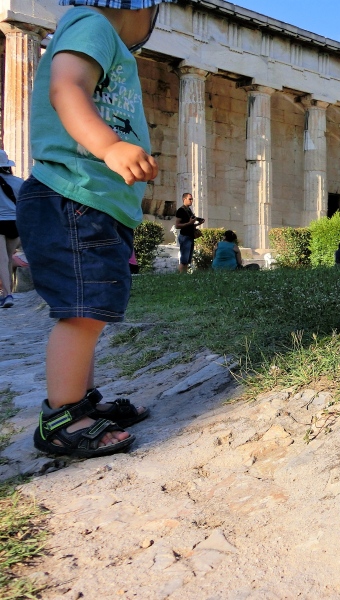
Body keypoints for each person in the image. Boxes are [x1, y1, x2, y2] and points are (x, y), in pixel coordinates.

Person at [15, 0, 170, 458]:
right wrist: (110, 146)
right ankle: (62, 420)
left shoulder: (103, 38)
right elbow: (67, 87)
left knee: (90, 309)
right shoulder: (92, 24)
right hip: (72, 196)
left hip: (90, 202)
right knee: (82, 313)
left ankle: (82, 404)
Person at [0, 149, 23, 308]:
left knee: (2, 259)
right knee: (8, 258)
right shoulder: (19, 182)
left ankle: (7, 294)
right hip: (15, 223)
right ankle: (8, 293)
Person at [175, 192, 204, 273]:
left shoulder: (189, 210)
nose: (192, 201)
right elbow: (177, 225)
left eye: (192, 199)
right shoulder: (181, 210)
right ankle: (181, 276)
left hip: (190, 236)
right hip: (184, 237)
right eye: (190, 199)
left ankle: (184, 276)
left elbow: (191, 225)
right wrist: (190, 223)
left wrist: (198, 223)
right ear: (184, 199)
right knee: (184, 260)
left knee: (187, 260)